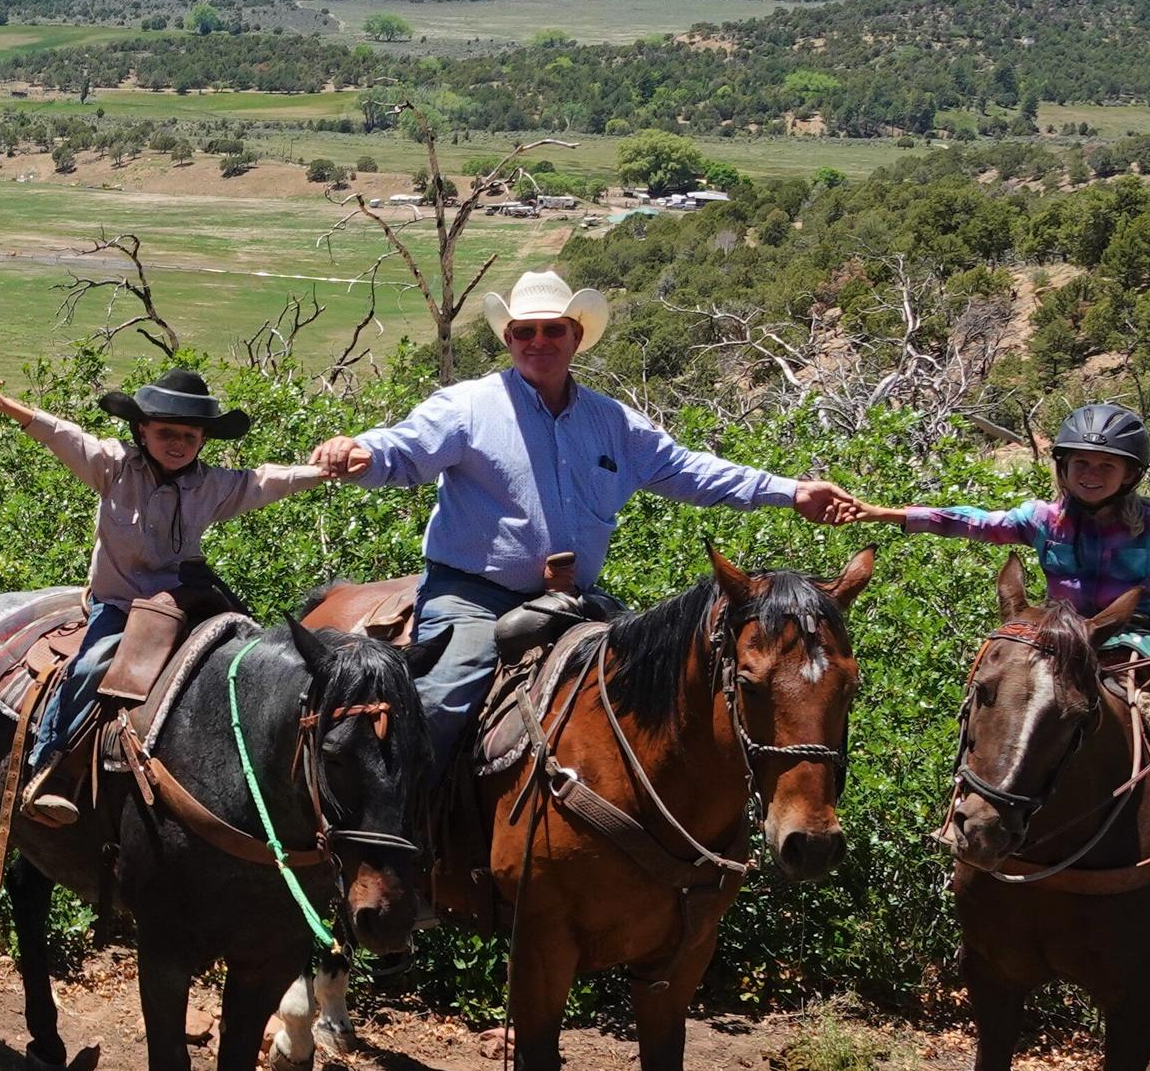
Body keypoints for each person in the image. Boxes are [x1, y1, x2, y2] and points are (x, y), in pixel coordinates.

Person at [312, 268, 868, 769]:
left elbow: (691, 471)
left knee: (657, 695)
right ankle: (404, 855)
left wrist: (791, 492)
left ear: (577, 337)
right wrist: (357, 452)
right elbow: (402, 452)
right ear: (508, 340)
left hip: (576, 599)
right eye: (524, 332)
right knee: (443, 702)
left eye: (553, 329)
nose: (538, 342)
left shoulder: (613, 423)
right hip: (474, 595)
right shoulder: (468, 407)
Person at [855, 402, 1150, 915]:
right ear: (1062, 467)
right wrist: (894, 515)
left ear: (1131, 474)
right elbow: (975, 523)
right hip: (1068, 640)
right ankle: (966, 817)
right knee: (998, 704)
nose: (1091, 474)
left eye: (1106, 465)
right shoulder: (1043, 520)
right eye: (1080, 463)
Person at [0, 366, 328, 825]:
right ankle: (49, 766)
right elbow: (63, 436)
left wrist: (322, 471)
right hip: (120, 604)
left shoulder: (211, 486)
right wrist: (10, 407)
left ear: (203, 440)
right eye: (166, 432)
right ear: (141, 431)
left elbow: (266, 480)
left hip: (182, 600)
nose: (178, 444)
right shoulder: (114, 466)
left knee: (245, 659)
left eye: (189, 436)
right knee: (91, 664)